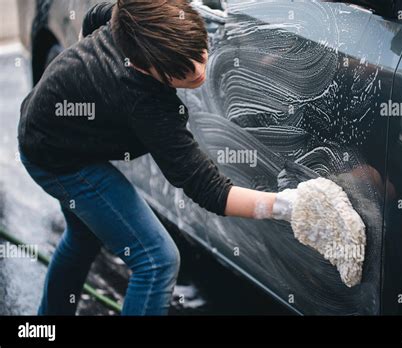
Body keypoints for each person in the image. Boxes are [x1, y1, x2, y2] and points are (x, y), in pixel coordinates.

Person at [17, 0, 286, 315]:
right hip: (57, 159)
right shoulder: (146, 103)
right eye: (182, 70)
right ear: (146, 66)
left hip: (46, 126)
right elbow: (210, 189)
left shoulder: (134, 17)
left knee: (83, 237)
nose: (199, 71)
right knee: (156, 260)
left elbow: (94, 15)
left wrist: (88, 82)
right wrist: (285, 206)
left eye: (200, 53)